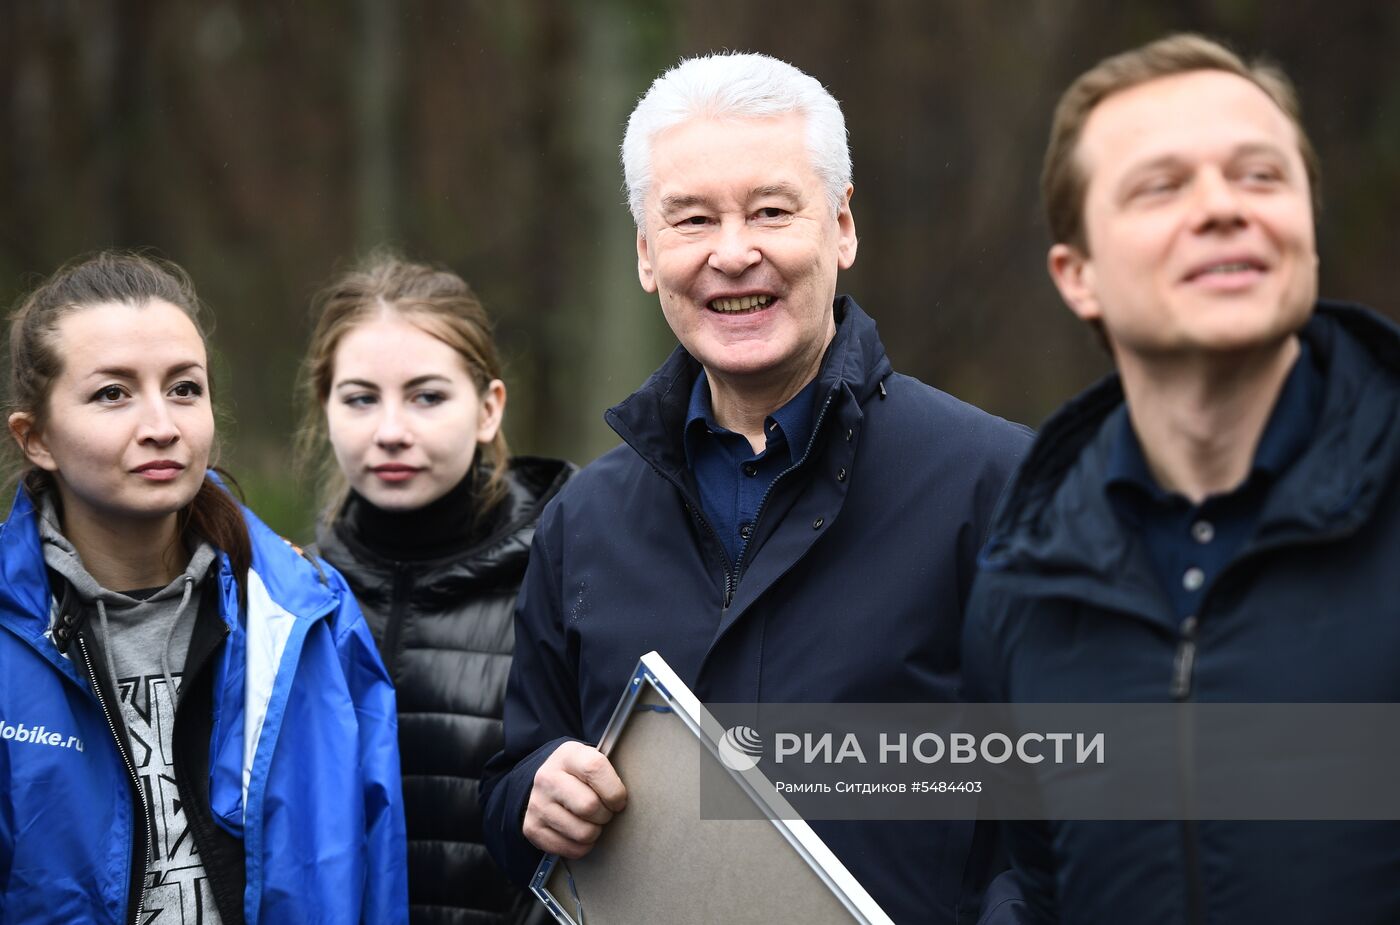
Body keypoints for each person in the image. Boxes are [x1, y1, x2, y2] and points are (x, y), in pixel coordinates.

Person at [480, 52, 1031, 923]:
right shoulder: (583, 518)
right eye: (692, 220)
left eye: (772, 211)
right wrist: (528, 799)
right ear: (646, 254)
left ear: (842, 227)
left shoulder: (998, 484)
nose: (734, 255)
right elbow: (515, 777)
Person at [965, 34, 1400, 923]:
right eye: (1161, 187)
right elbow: (1041, 887)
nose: (1222, 208)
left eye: (1260, 176)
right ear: (1077, 276)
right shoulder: (1022, 575)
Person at [0, 251, 408, 923]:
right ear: (36, 436)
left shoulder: (308, 614)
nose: (162, 424)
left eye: (185, 387)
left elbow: (376, 868)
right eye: (113, 393)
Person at [298, 254, 572, 925]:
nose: (391, 431)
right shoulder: (288, 600)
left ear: (487, 409)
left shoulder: (571, 581)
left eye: (426, 396)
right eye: (361, 397)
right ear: (326, 408)